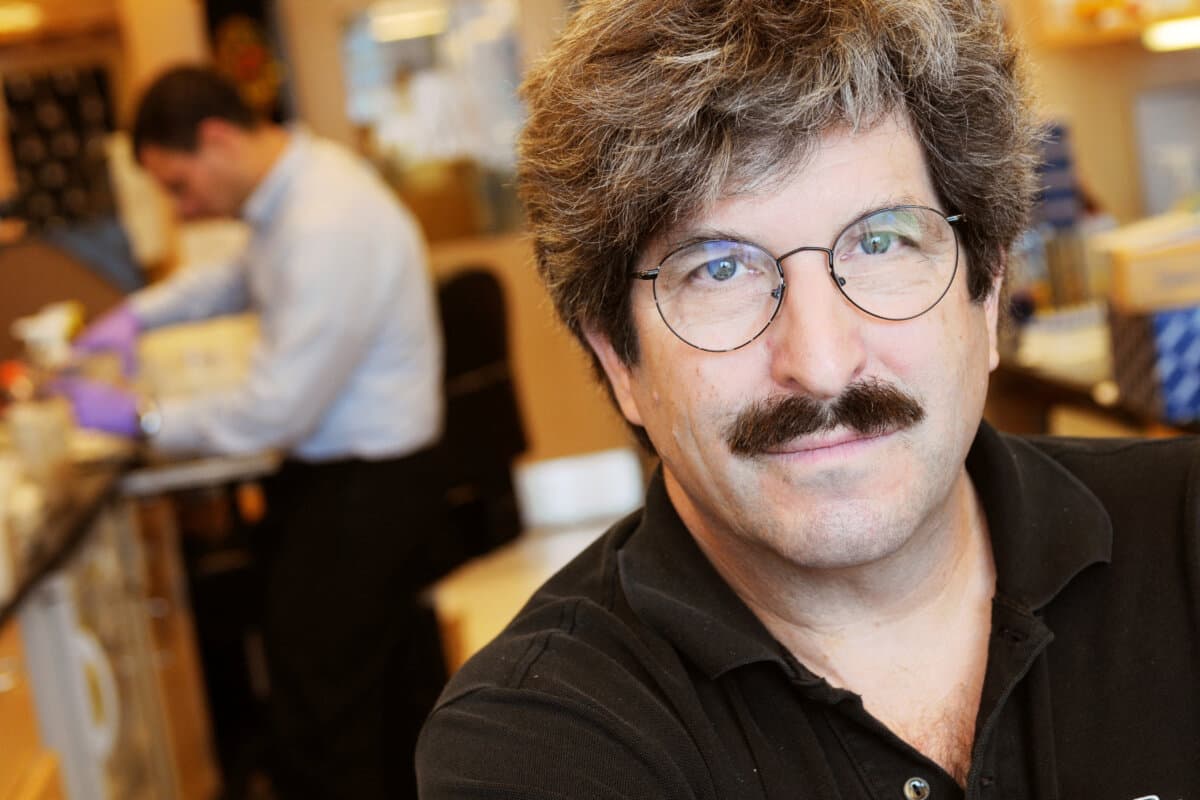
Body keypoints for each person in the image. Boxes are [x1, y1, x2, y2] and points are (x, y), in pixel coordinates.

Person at [416, 1, 1200, 797]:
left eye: (881, 242)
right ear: (619, 359)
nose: (822, 366)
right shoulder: (535, 745)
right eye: (719, 269)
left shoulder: (1187, 537)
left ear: (988, 292)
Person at [62, 66, 447, 799]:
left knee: (326, 716)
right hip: (342, 476)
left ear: (216, 139)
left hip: (366, 487)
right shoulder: (293, 194)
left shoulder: (325, 221)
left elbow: (275, 410)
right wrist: (138, 316)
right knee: (369, 697)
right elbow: (235, 279)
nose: (183, 209)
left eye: (179, 186)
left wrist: (142, 419)